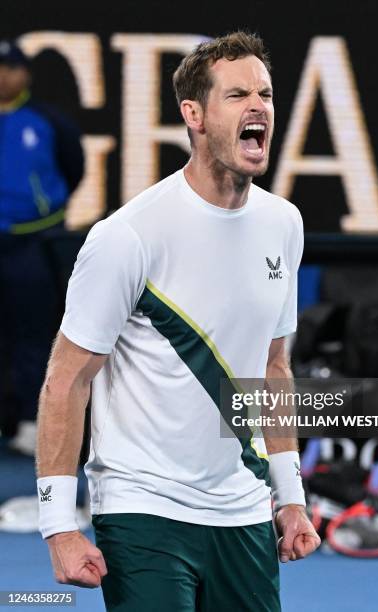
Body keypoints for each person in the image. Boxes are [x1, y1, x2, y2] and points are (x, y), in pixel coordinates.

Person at [36, 32, 320, 611]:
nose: (258, 106)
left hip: (243, 510)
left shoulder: (283, 225)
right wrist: (58, 524)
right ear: (193, 114)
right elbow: (67, 379)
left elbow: (273, 369)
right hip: (144, 510)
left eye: (264, 93)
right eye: (238, 94)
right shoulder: (127, 236)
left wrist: (290, 497)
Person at [0, 40, 84, 455]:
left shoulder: (48, 121)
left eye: (9, 67)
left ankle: (32, 423)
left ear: (24, 74)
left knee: (34, 335)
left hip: (33, 243)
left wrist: (40, 211)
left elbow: (75, 167)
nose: (2, 75)